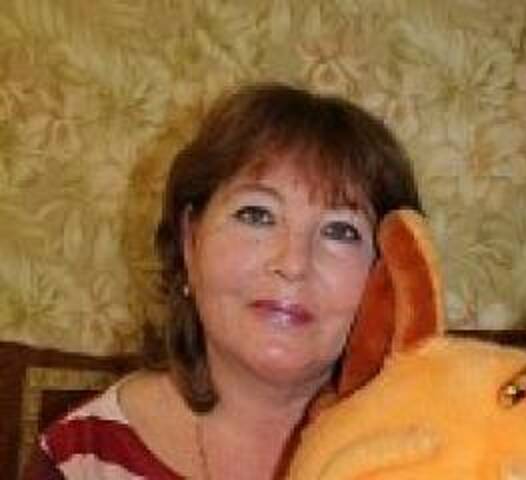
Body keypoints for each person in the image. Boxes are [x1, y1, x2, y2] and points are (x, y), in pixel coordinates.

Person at [24, 82, 424, 479]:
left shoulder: (430, 446)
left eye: (340, 231)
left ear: (387, 276)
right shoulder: (81, 459)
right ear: (190, 241)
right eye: (257, 215)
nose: (294, 264)